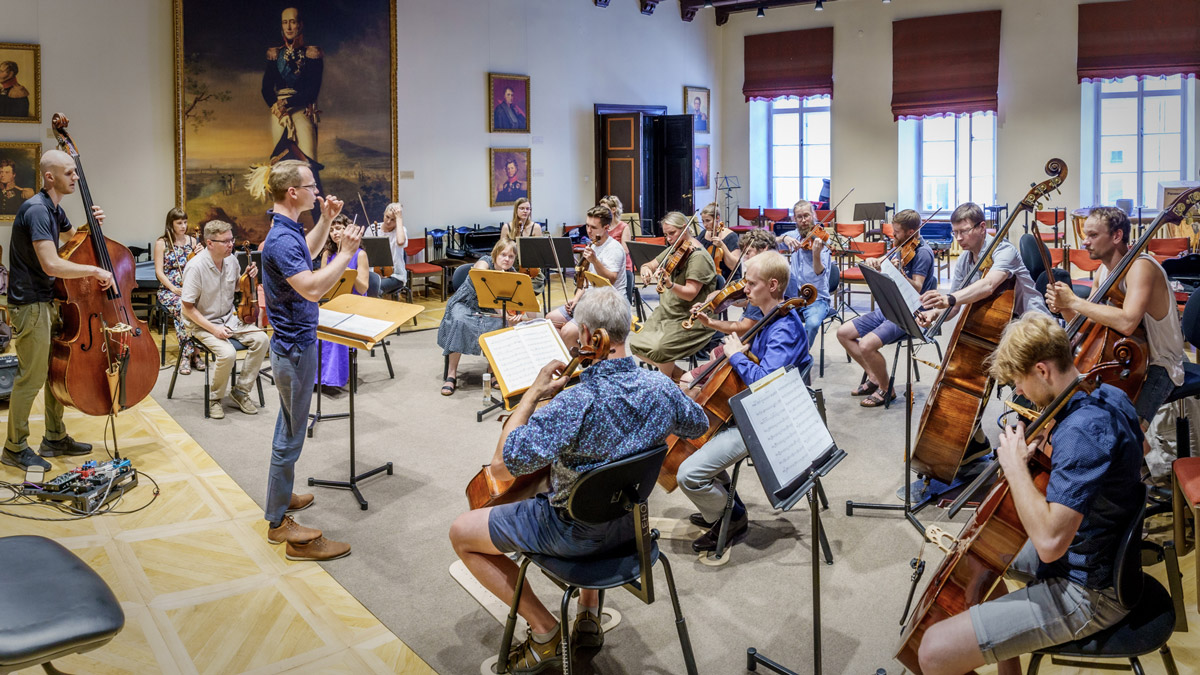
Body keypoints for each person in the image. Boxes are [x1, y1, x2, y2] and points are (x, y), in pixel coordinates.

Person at [449, 286, 708, 673]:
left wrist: (531, 396)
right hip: (632, 529)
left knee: (461, 532)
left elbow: (505, 464)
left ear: (587, 335)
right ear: (626, 328)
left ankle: (545, 631)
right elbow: (698, 424)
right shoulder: (660, 387)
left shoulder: (576, 400)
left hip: (573, 536)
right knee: (598, 486)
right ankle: (588, 612)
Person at [917, 312, 1143, 675]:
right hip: (1100, 554)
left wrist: (1016, 467)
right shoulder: (1110, 394)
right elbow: (1139, 452)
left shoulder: (1080, 432)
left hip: (1089, 591)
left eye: (1019, 381)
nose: (1019, 392)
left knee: (932, 652)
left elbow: (1050, 543)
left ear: (1042, 370)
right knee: (981, 556)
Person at [677, 251, 812, 552]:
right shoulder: (769, 316)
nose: (744, 290)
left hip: (766, 419)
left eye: (751, 284)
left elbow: (765, 384)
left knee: (688, 474)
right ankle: (726, 508)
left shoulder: (785, 328)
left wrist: (737, 355)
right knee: (694, 439)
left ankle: (731, 518)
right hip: (746, 409)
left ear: (773, 285)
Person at [260, 159, 358, 561]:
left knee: (288, 426)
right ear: (292, 192)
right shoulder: (281, 240)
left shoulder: (287, 231)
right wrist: (346, 253)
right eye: (311, 187)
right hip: (295, 348)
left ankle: (281, 500)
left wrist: (327, 219)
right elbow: (313, 289)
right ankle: (278, 523)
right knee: (291, 434)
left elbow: (309, 252)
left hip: (294, 345)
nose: (317, 192)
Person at [2, 149, 111, 471]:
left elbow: (72, 240)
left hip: (47, 301)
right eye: (69, 172)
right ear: (50, 177)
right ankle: (14, 447)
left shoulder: (53, 208)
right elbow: (51, 264)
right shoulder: (37, 209)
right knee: (31, 377)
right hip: (30, 304)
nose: (75, 177)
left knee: (55, 372)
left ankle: (54, 437)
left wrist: (91, 226)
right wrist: (95, 271)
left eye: (75, 171)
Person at [1045, 206, 1185, 451]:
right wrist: (1064, 308)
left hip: (1160, 363)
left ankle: (1135, 463)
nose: (1085, 242)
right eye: (1085, 235)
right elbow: (1087, 323)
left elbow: (1127, 322)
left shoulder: (1141, 267)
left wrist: (1074, 301)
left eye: (1093, 235)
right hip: (1126, 357)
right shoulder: (1104, 270)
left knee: (1126, 437)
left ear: (1117, 236)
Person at [837, 209, 937, 408]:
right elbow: (884, 263)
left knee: (866, 345)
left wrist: (899, 273)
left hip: (910, 313)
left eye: (896, 232)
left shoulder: (922, 253)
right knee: (843, 333)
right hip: (891, 305)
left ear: (910, 232)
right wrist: (875, 261)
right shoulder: (902, 245)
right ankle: (874, 377)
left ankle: (886, 388)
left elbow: (917, 287)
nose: (893, 235)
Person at [180, 220, 269, 419]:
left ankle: (241, 391)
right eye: (226, 241)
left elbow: (235, 287)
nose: (231, 244)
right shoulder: (195, 267)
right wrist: (214, 329)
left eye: (232, 239)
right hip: (202, 323)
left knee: (262, 339)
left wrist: (247, 277)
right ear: (210, 243)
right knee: (228, 353)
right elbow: (187, 308)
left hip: (229, 319)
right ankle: (215, 398)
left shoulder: (232, 261)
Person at [917, 202, 1049, 329]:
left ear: (982, 227)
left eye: (964, 231)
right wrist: (934, 313)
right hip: (1002, 322)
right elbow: (954, 307)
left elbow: (989, 285)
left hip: (1032, 321)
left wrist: (949, 299)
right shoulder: (963, 259)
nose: (958, 238)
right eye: (955, 232)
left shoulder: (1004, 250)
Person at [630, 211, 719, 381]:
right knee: (636, 344)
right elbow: (651, 264)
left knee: (660, 350)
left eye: (672, 233)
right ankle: (677, 376)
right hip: (666, 313)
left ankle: (665, 383)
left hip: (689, 318)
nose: (669, 238)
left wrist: (670, 284)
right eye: (666, 234)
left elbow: (690, 294)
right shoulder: (675, 249)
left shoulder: (698, 257)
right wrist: (646, 269)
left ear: (685, 228)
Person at [437, 237, 519, 396]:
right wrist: (504, 314)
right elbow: (484, 285)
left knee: (502, 326)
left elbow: (517, 301)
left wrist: (515, 316)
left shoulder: (512, 274)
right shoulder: (484, 262)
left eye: (511, 256)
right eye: (503, 254)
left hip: (490, 308)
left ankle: (492, 370)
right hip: (465, 303)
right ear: (495, 254)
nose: (507, 259)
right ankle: (451, 374)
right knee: (459, 321)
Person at [547, 205, 627, 345]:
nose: (589, 231)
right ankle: (580, 350)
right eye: (587, 225)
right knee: (550, 320)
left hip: (608, 304)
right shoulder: (593, 244)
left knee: (567, 332)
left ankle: (583, 353)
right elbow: (586, 282)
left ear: (606, 227)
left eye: (593, 227)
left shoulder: (614, 248)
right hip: (590, 299)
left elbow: (610, 280)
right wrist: (576, 299)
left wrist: (594, 260)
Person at [262, 7, 322, 165]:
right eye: (285, 22)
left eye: (293, 22)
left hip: (302, 108)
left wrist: (286, 103)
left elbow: (312, 91)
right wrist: (280, 110)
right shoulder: (275, 55)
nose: (288, 27)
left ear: (300, 25)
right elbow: (266, 89)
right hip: (279, 113)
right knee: (281, 161)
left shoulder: (312, 54)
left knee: (308, 159)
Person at [314, 214, 368, 389]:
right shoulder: (327, 254)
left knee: (336, 332)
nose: (334, 232)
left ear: (348, 230)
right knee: (313, 328)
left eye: (339, 228)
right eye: (331, 229)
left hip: (354, 306)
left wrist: (347, 270)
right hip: (332, 304)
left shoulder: (360, 255)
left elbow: (363, 288)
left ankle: (333, 378)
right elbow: (322, 286)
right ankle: (316, 377)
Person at [154, 208, 203, 375]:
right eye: (179, 223)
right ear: (171, 224)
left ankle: (195, 352)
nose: (183, 226)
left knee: (201, 306)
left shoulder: (193, 241)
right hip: (169, 290)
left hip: (190, 288)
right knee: (184, 308)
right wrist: (173, 288)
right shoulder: (162, 243)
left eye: (185, 222)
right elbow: (159, 272)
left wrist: (202, 255)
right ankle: (188, 355)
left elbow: (200, 267)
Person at [780, 199, 832, 348]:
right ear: (794, 219)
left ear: (813, 215)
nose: (803, 220)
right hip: (793, 296)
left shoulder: (821, 239)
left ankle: (801, 356)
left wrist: (816, 254)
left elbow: (819, 272)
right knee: (769, 317)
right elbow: (772, 241)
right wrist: (784, 238)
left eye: (806, 216)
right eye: (799, 217)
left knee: (813, 324)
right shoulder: (794, 235)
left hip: (816, 298)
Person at [501, 198, 545, 293]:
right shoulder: (507, 227)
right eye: (522, 208)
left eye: (527, 209)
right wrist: (513, 246)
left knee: (527, 287)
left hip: (530, 269)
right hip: (511, 267)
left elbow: (540, 251)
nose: (525, 211)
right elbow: (501, 250)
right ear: (516, 210)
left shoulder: (536, 227)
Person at [696, 202, 741, 281]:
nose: (705, 224)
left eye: (708, 220)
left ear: (717, 218)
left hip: (727, 278)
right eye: (703, 221)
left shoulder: (731, 236)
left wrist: (722, 246)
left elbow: (734, 265)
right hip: (708, 277)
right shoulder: (703, 234)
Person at [600, 194, 634, 294]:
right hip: (606, 267)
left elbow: (625, 251)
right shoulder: (603, 227)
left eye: (604, 209)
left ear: (613, 209)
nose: (601, 212)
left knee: (623, 300)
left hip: (623, 268)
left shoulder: (624, 227)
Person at [378, 202, 407, 298]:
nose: (388, 221)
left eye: (393, 219)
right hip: (375, 273)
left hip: (396, 276)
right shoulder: (373, 228)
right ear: (384, 213)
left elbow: (400, 242)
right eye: (387, 217)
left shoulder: (401, 230)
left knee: (376, 287)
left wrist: (399, 218)